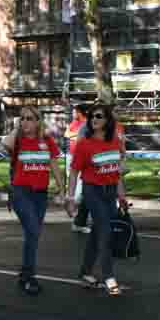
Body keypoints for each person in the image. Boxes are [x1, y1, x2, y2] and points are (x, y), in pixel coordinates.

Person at [2, 105, 66, 296]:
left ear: (38, 121)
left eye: (30, 118)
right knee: (33, 230)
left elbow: (54, 164)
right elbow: (5, 145)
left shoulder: (47, 140)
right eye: (22, 118)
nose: (25, 122)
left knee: (33, 235)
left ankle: (25, 274)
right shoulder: (17, 140)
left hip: (40, 194)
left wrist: (61, 188)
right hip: (21, 192)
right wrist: (17, 128)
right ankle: (29, 277)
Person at [65, 103, 126, 296]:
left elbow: (116, 172)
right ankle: (109, 276)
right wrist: (71, 197)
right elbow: (74, 172)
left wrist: (122, 195)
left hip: (110, 192)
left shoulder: (115, 141)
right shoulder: (85, 143)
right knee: (105, 232)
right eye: (92, 117)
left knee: (96, 234)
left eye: (99, 116)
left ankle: (85, 272)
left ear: (108, 120)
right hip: (93, 192)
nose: (94, 120)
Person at [66, 104, 92, 233]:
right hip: (76, 157)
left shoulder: (86, 124)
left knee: (87, 194)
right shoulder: (81, 125)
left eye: (74, 111)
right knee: (85, 191)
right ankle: (79, 218)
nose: (72, 114)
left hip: (96, 167)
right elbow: (68, 135)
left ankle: (80, 220)